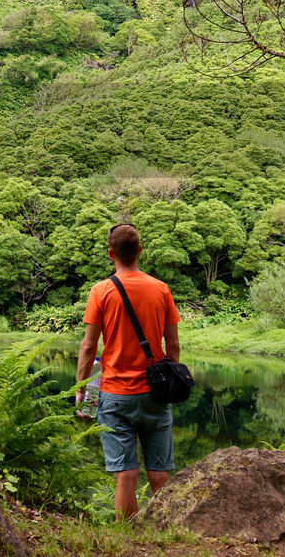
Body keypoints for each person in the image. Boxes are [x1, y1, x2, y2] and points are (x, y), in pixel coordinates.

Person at [75, 223, 181, 520]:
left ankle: (129, 538)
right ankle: (167, 533)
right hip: (156, 393)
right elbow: (173, 347)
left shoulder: (101, 291)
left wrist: (81, 388)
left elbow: (88, 346)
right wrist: (170, 383)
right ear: (140, 251)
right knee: (160, 473)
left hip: (115, 394)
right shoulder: (161, 289)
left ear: (111, 254)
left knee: (125, 474)